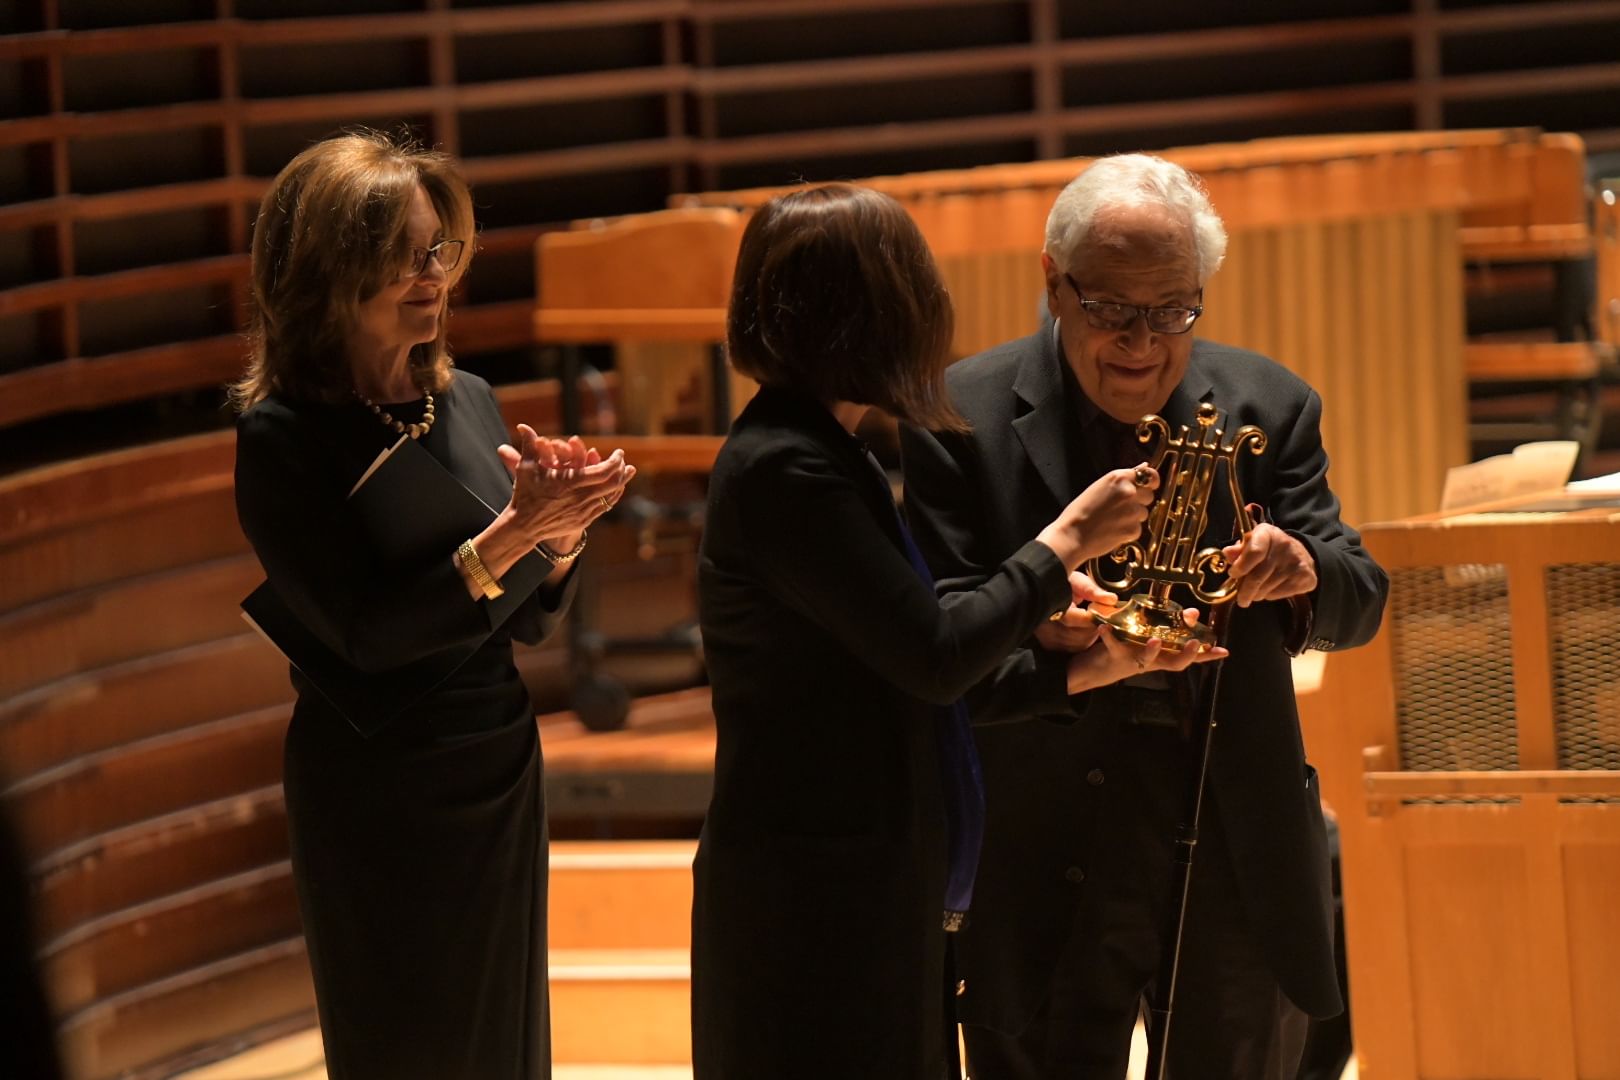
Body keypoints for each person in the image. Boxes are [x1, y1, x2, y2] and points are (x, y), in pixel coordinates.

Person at [690, 183, 1222, 1080]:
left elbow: (910, 658)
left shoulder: (831, 451)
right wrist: (1063, 542)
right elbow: (935, 658)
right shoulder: (787, 467)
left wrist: (1082, 668)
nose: (934, 309)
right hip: (814, 896)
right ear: (867, 315)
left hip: (867, 882)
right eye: (916, 284)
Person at [899, 154, 1389, 1079]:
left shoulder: (1270, 404)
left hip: (1229, 831)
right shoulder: (958, 416)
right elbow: (941, 636)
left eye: (1172, 311)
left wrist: (1303, 571)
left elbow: (1361, 595)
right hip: (1041, 842)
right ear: (1054, 282)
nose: (1141, 341)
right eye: (1112, 309)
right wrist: (1044, 619)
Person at [231, 131, 631, 1080]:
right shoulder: (283, 438)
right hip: (378, 790)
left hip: (495, 759)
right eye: (402, 254)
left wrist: (561, 534)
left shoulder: (471, 399)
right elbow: (366, 636)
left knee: (506, 1041)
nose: (432, 275)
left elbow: (527, 620)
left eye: (440, 250)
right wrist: (512, 535)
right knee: (404, 1041)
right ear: (324, 270)